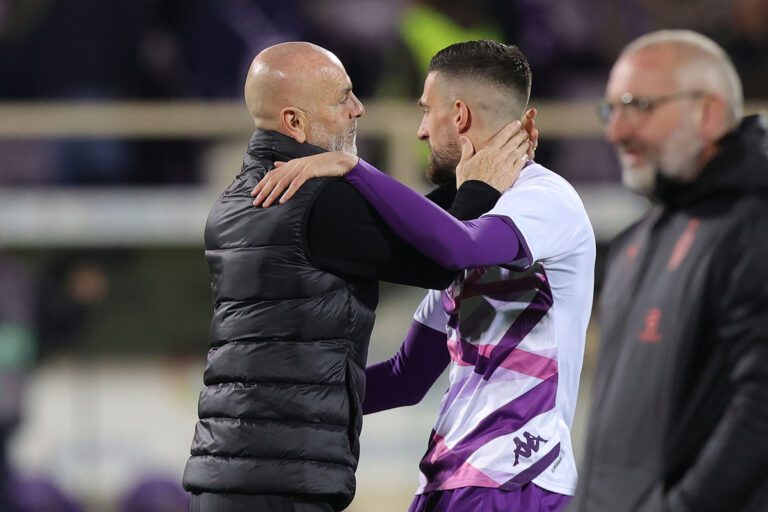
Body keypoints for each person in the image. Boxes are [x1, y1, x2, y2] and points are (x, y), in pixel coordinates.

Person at [182, 41, 532, 512]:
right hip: (281, 478)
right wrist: (479, 185)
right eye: (342, 98)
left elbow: (397, 233)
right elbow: (439, 257)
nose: (358, 109)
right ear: (294, 123)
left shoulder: (237, 199)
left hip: (231, 467)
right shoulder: (314, 199)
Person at [253, 40, 596, 512]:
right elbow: (406, 376)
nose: (418, 131)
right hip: (447, 482)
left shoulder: (546, 199)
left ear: (458, 116)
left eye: (425, 111)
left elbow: (462, 248)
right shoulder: (457, 234)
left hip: (520, 481)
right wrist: (291, 400)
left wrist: (354, 168)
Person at [569, 30, 768, 512]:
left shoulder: (753, 229)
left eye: (639, 106)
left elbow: (760, 409)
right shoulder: (637, 242)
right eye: (611, 110)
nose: (617, 132)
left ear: (710, 111)